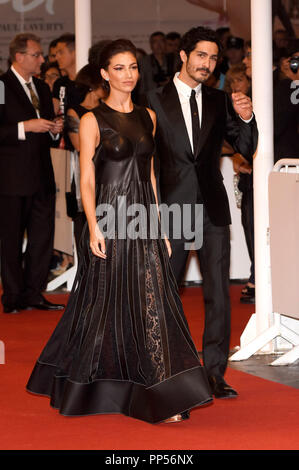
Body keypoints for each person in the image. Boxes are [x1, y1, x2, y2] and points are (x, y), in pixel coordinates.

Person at [26, 39, 213, 424]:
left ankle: (160, 394)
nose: (128, 75)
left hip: (143, 220)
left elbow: (151, 175)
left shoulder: (149, 117)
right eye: (119, 68)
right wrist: (93, 226)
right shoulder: (92, 119)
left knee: (153, 304)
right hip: (109, 220)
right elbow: (88, 180)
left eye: (132, 67)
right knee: (103, 305)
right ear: (104, 74)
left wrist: (161, 225)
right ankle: (96, 385)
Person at [146, 26, 258, 399]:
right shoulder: (154, 100)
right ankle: (168, 369)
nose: (207, 64)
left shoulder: (219, 99)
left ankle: (214, 373)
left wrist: (245, 117)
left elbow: (245, 146)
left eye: (213, 58)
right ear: (184, 56)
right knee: (166, 292)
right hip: (170, 210)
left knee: (218, 295)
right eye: (200, 56)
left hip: (211, 209)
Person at [0, 33, 65, 314]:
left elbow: (43, 129)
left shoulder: (40, 85)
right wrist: (24, 127)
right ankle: (13, 296)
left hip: (42, 176)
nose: (42, 59)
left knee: (42, 239)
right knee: (11, 238)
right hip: (11, 178)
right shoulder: (1, 86)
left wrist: (53, 130)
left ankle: (33, 293)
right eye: (37, 55)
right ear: (19, 57)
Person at [66, 63, 107, 251]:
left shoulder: (107, 110)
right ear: (93, 87)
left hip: (110, 174)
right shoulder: (75, 112)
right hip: (87, 173)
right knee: (85, 227)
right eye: (102, 83)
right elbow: (79, 146)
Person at [224, 64, 255, 304]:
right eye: (232, 81)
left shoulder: (259, 101)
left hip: (260, 175)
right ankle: (255, 274)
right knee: (248, 226)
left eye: (240, 80)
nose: (236, 86)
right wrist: (237, 154)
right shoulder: (227, 108)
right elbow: (221, 140)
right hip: (245, 178)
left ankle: (257, 277)